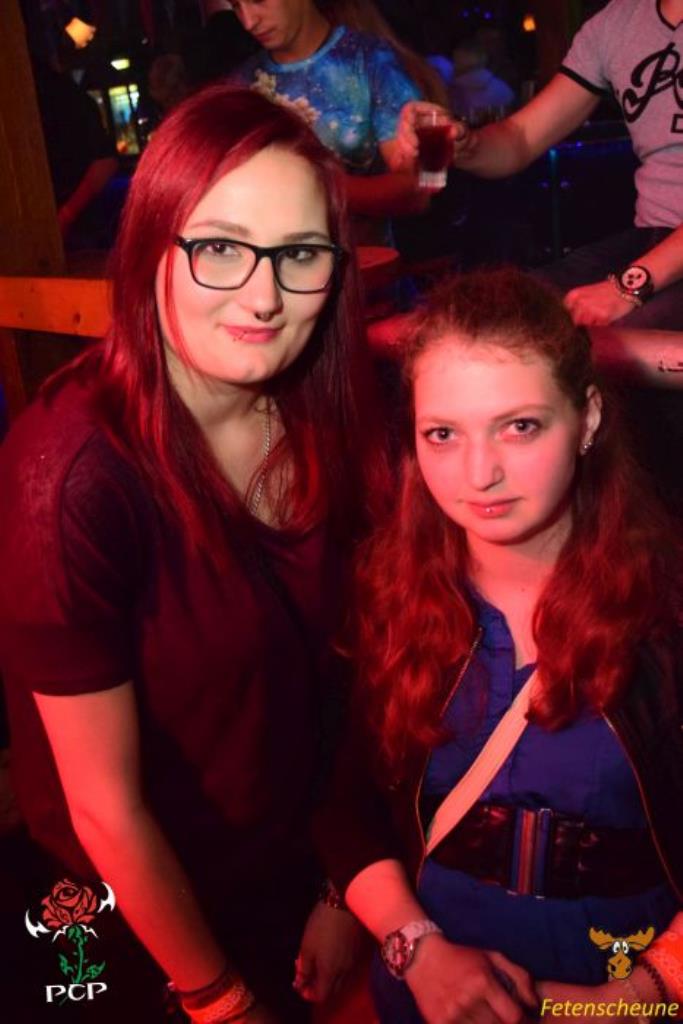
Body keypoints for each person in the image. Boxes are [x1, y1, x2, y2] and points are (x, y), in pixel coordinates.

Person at [0, 85, 380, 1023]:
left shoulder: (326, 409)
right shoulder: (71, 474)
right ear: (150, 251)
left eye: (299, 253)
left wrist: (345, 884)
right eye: (219, 248)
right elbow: (103, 809)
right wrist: (219, 1001)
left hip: (298, 866)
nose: (263, 295)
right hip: (135, 911)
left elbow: (356, 679)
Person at [311, 268, 683, 1023]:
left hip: (617, 973)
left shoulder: (665, 609)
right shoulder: (391, 592)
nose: (478, 474)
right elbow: (347, 799)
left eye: (519, 427)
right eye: (443, 434)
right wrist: (413, 947)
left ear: (586, 418)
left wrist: (623, 1000)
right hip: (430, 977)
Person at [395, 0, 683, 330]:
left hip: (661, 261)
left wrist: (629, 286)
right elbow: (518, 140)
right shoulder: (618, 23)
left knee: (619, 340)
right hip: (650, 239)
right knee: (490, 320)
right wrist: (462, 143)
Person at [228, 0, 429, 244]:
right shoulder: (241, 84)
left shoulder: (369, 59)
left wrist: (319, 186)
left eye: (258, 0)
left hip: (365, 261)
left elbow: (417, 190)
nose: (249, 22)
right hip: (272, 259)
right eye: (236, 6)